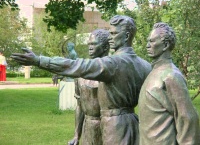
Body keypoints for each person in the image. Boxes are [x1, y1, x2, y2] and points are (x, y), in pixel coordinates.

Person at [11, 15, 151, 145]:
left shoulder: (113, 63)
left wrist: (39, 60)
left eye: (114, 34)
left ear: (126, 36)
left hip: (115, 125)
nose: (110, 38)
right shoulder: (145, 65)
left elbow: (77, 65)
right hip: (134, 123)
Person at [138, 22, 200, 145]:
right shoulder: (154, 72)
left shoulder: (171, 76)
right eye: (148, 41)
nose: (147, 45)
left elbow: (187, 118)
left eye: (152, 41)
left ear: (165, 45)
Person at [68, 29, 110, 145]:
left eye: (94, 44)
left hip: (108, 127)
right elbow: (80, 106)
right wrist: (76, 135)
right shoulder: (82, 73)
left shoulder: (112, 72)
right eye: (89, 44)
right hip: (88, 127)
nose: (90, 47)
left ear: (106, 47)